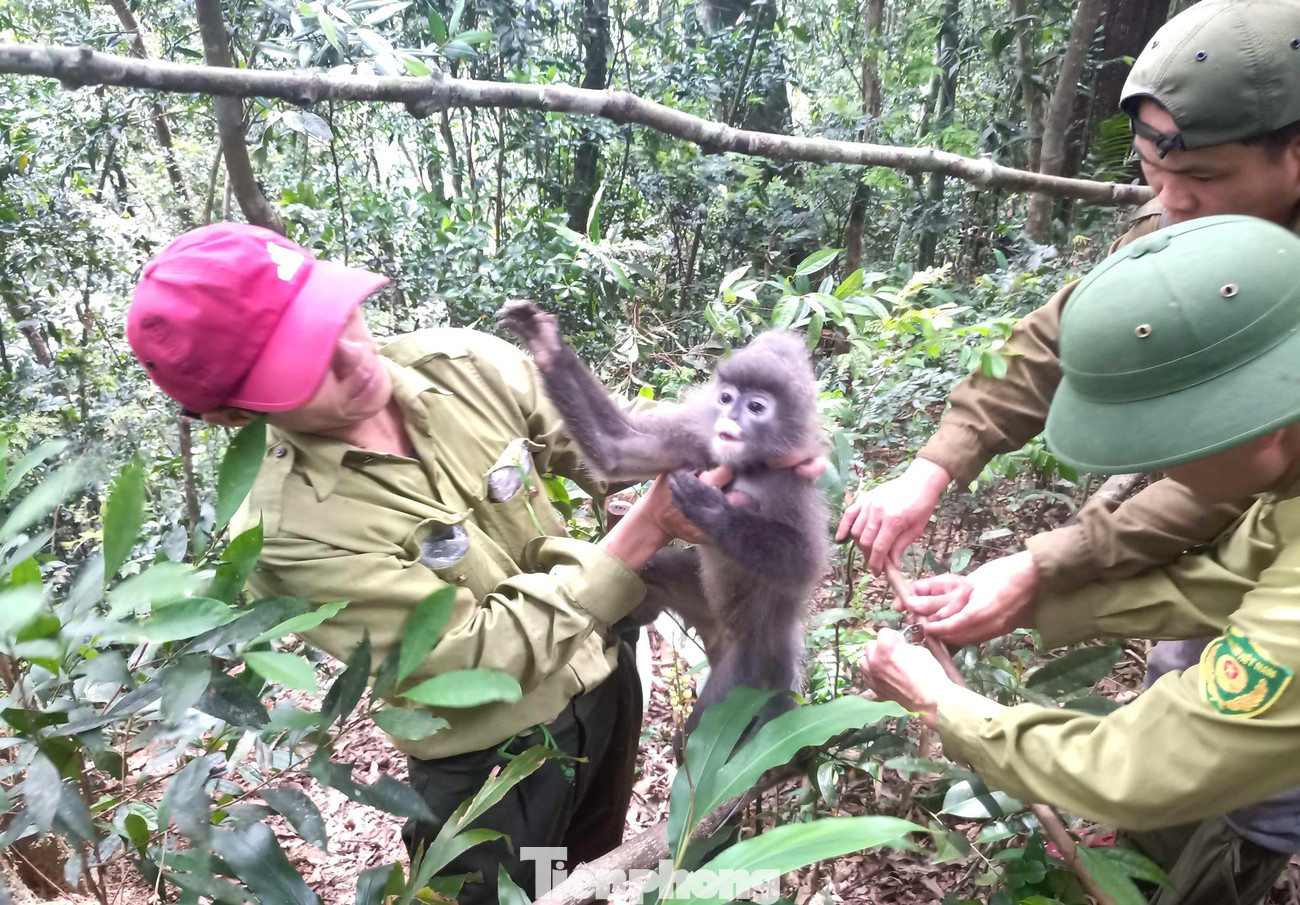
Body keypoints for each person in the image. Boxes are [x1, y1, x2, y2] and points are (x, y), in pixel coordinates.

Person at [840, 1, 1300, 899]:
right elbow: (1233, 549)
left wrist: (951, 704)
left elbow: (1152, 754)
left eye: (1202, 175)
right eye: (1152, 171)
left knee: (1253, 778)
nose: (1169, 203)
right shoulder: (1204, 230)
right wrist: (1008, 562)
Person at [125, 222, 731, 902]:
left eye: (334, 319)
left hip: (604, 682)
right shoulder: (290, 528)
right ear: (236, 413)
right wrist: (645, 531)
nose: (354, 357)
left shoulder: (462, 365)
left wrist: (734, 445)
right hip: (491, 763)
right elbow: (468, 657)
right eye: (304, 365)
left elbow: (611, 446)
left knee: (588, 874)